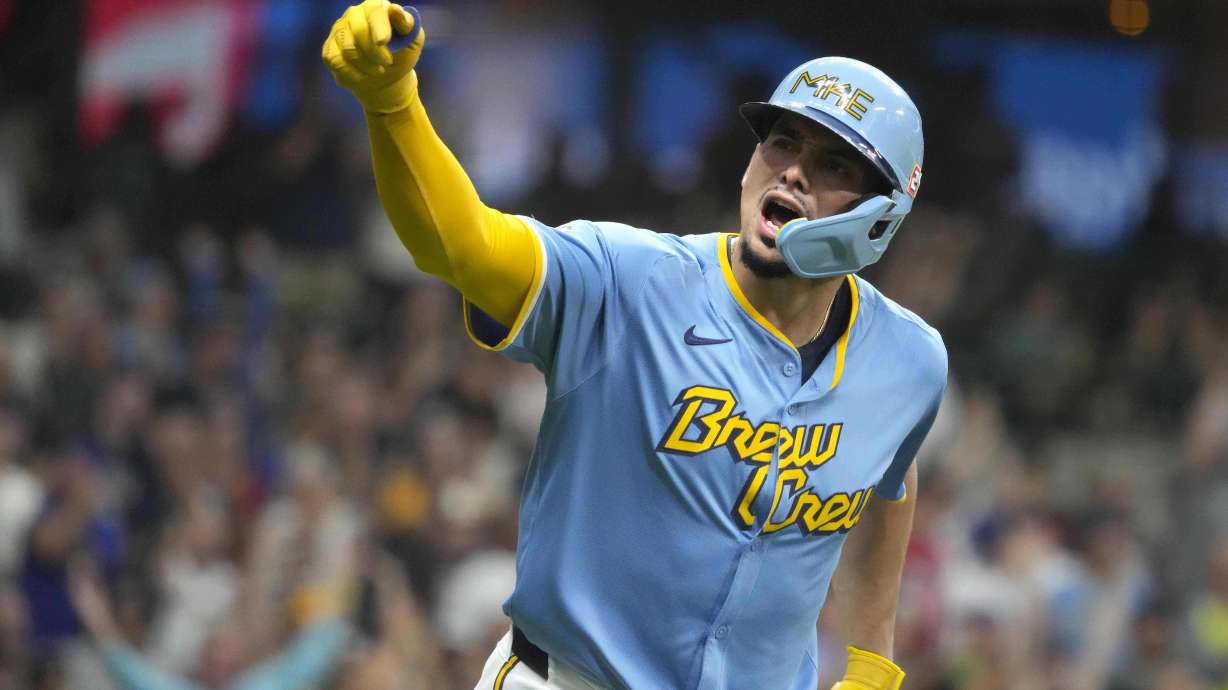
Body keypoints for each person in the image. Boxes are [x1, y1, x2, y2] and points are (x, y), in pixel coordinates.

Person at [322, 3, 945, 689]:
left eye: (833, 165)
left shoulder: (909, 362)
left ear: (879, 219)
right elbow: (461, 245)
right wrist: (392, 105)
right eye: (782, 143)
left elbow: (890, 473)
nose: (793, 173)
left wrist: (871, 662)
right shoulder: (627, 279)